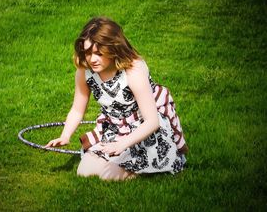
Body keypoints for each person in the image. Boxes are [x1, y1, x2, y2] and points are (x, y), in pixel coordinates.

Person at [45, 17, 188, 180]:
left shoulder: (133, 71)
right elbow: (77, 109)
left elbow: (152, 121)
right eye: (88, 52)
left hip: (144, 129)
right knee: (84, 172)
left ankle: (148, 166)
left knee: (107, 175)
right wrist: (65, 136)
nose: (92, 59)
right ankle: (128, 164)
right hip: (115, 127)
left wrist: (123, 144)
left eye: (99, 53)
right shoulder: (85, 72)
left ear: (114, 49)